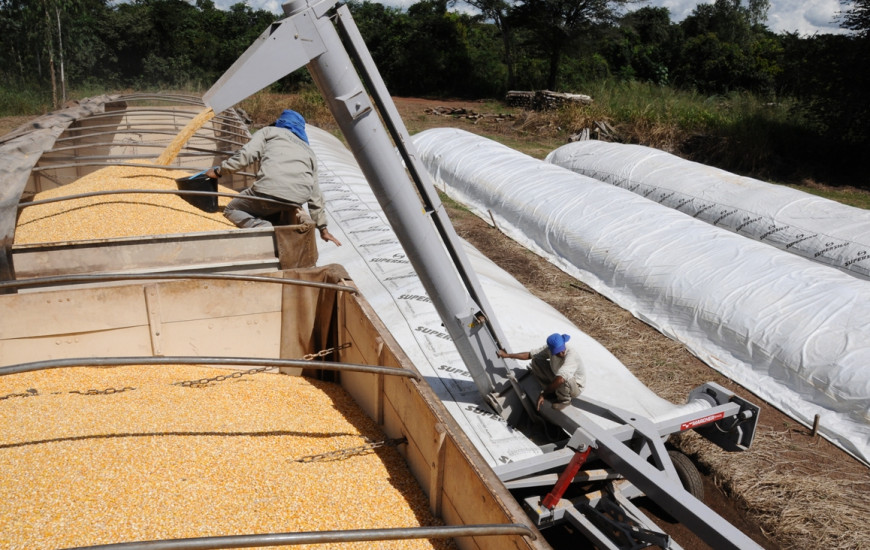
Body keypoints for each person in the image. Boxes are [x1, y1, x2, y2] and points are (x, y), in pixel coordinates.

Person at [205, 109, 341, 246]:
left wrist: (219, 171)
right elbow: (315, 193)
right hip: (295, 200)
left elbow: (245, 156)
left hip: (268, 192)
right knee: (272, 207)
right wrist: (323, 228)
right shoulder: (309, 151)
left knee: (232, 209)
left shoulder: (269, 132)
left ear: (280, 123)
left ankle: (265, 228)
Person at [498, 333, 586, 411]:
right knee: (536, 361)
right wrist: (508, 355)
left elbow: (561, 379)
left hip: (575, 386)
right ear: (551, 350)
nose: (562, 353)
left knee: (564, 379)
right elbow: (530, 355)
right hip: (559, 376)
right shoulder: (549, 349)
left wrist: (543, 394)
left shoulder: (571, 355)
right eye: (558, 352)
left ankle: (565, 400)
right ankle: (551, 390)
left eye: (562, 349)